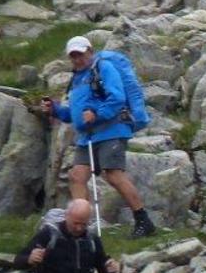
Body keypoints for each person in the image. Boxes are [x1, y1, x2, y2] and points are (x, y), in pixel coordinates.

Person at [41, 36, 156, 237]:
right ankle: (80, 226)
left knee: (113, 174)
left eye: (80, 54)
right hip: (87, 136)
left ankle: (143, 220)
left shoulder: (104, 68)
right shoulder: (76, 79)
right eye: (73, 56)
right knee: (77, 176)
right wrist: (55, 110)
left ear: (90, 51)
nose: (77, 59)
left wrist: (97, 114)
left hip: (112, 130)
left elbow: (117, 98)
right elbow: (75, 114)